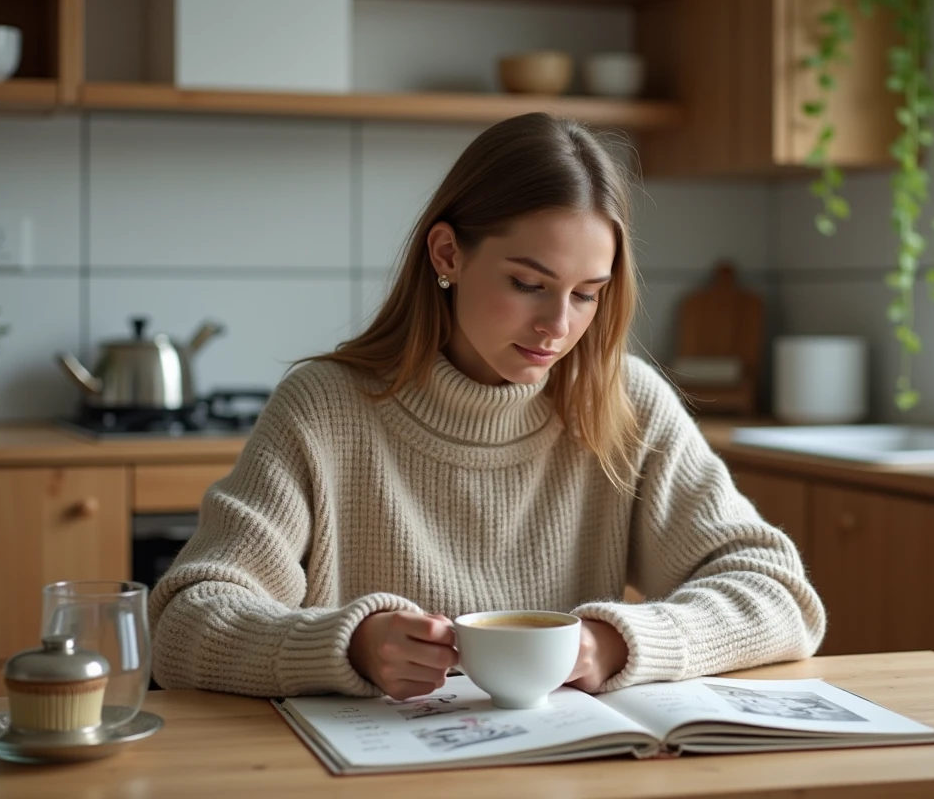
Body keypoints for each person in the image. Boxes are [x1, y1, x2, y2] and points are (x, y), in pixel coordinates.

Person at [147, 112, 826, 701]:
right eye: (529, 283)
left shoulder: (624, 403)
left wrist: (612, 644)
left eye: (587, 293)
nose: (557, 325)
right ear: (447, 254)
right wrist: (351, 644)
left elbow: (781, 596)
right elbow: (182, 625)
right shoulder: (324, 409)